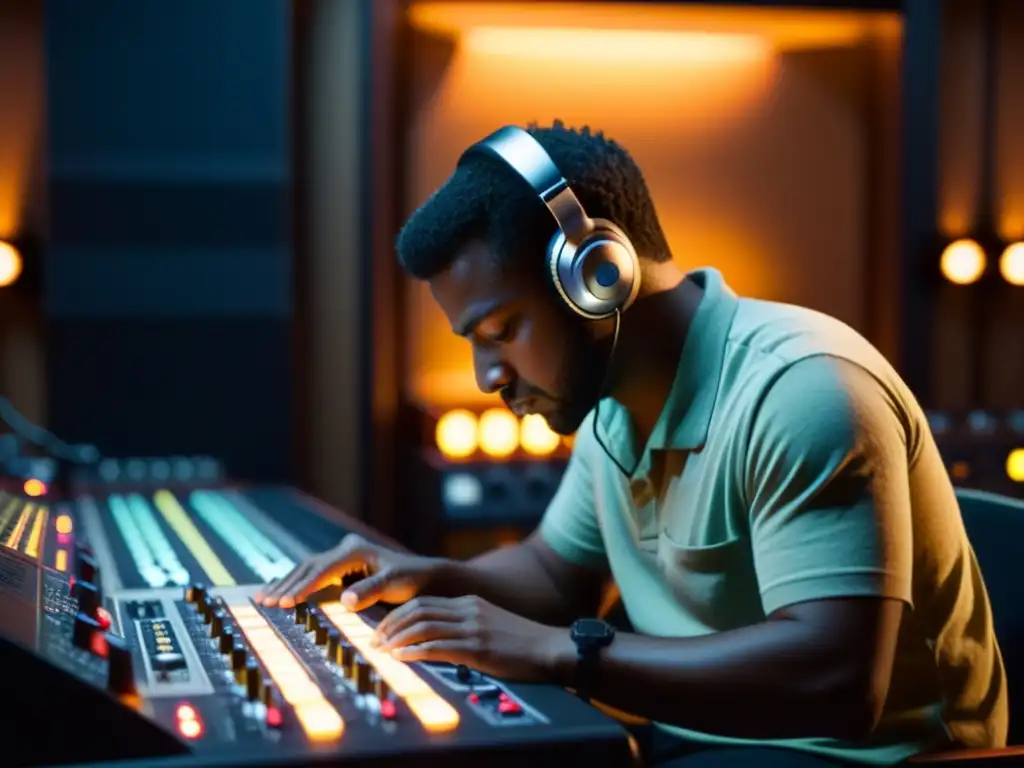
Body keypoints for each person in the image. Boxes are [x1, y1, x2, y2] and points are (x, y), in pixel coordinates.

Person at [259, 122, 1007, 766]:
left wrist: (563, 653)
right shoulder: (612, 406)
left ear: (598, 276)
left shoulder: (805, 391)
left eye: (501, 331)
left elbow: (839, 683)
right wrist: (430, 578)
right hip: (704, 739)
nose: (488, 374)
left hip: (863, 758)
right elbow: (556, 573)